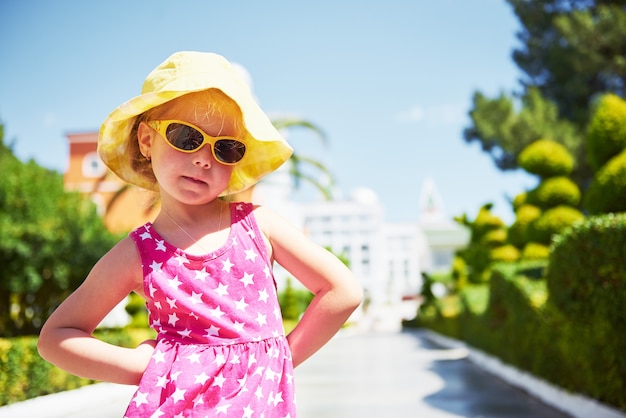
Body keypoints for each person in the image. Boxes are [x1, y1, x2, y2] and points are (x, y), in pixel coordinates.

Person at [38, 51, 362, 417]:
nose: (205, 158)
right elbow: (56, 338)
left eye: (225, 148)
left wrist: (282, 359)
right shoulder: (137, 253)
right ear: (147, 140)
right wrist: (143, 367)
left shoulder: (258, 225)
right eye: (186, 137)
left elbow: (343, 291)